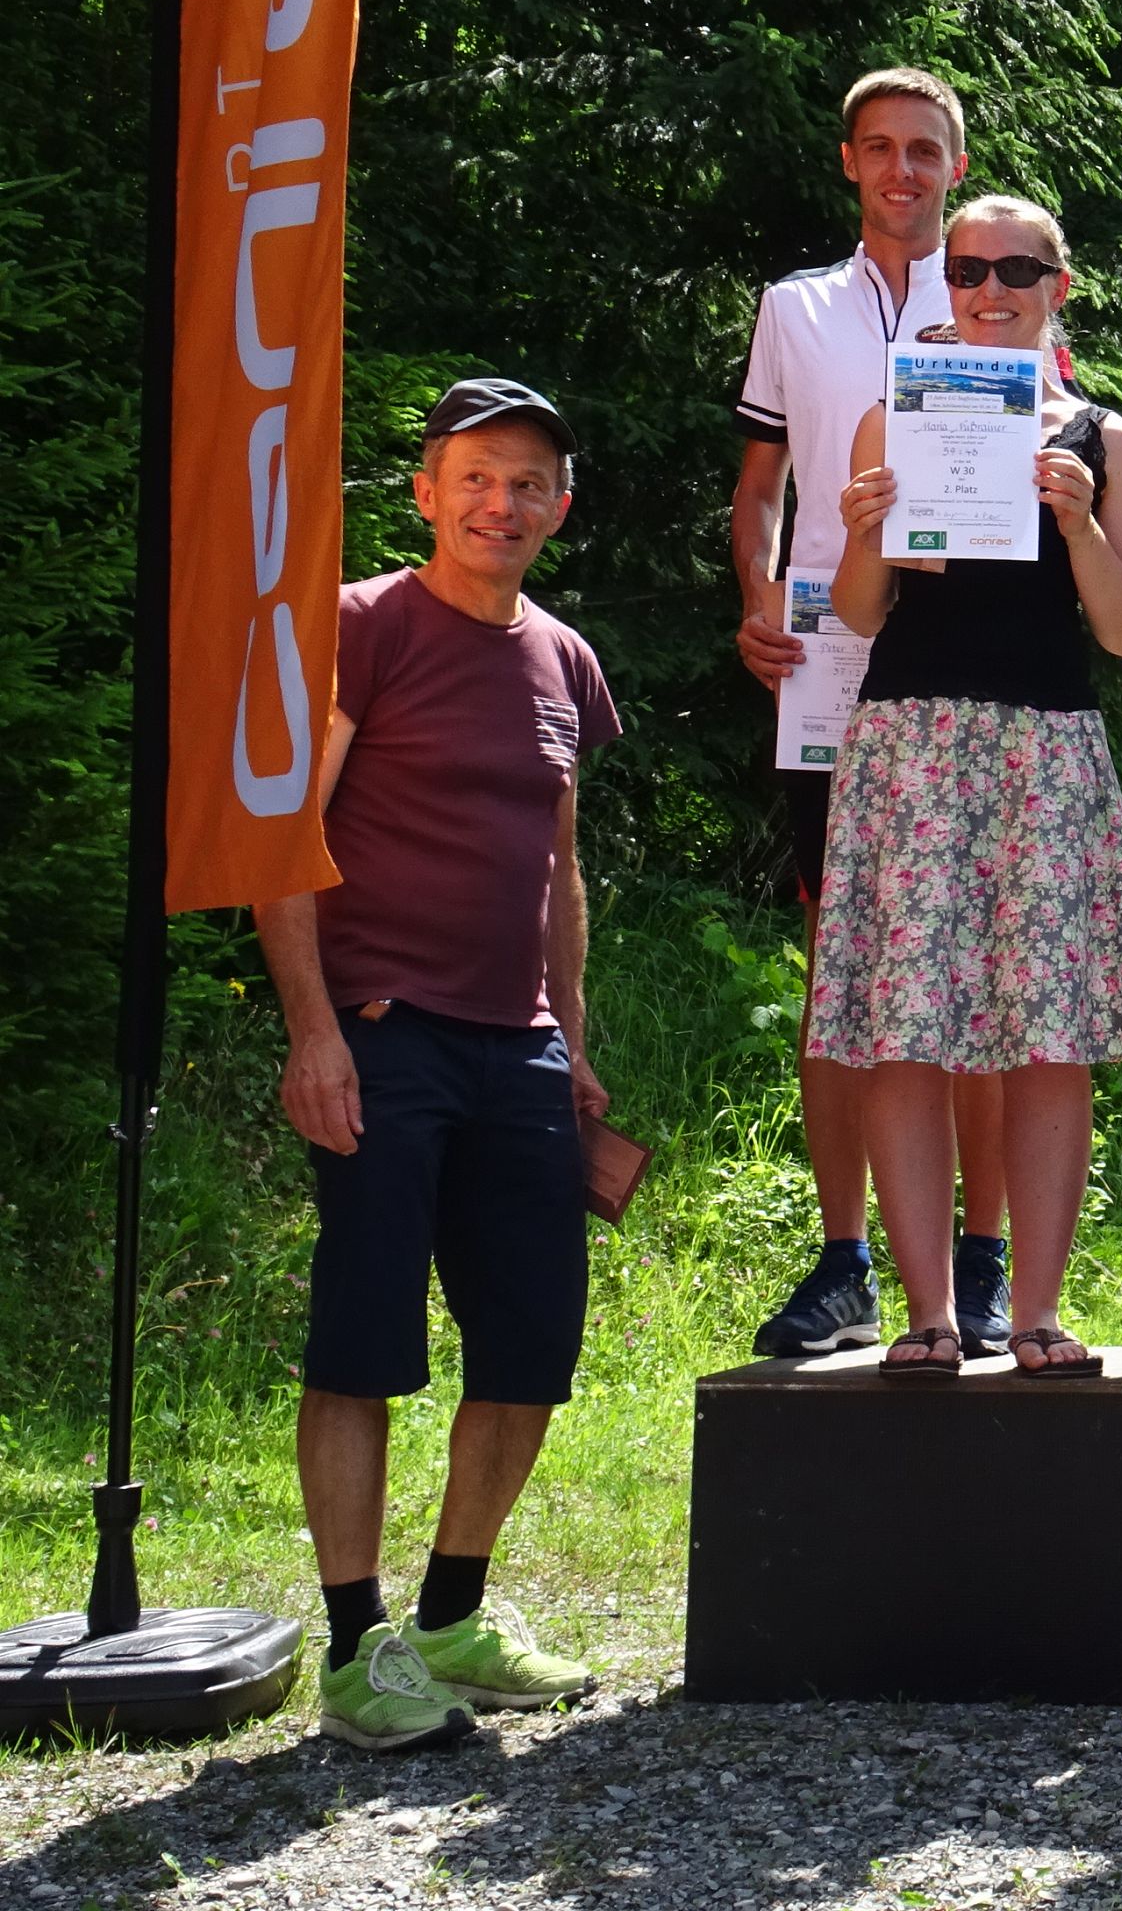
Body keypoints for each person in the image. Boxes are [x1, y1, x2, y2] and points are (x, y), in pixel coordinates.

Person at [255, 379, 618, 1751]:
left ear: (558, 509)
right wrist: (314, 1030)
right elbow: (284, 835)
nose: (499, 504)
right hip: (383, 1030)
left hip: (519, 1049)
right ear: (424, 493)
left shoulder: (564, 658)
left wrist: (572, 1041)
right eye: (474, 477)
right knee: (362, 1341)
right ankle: (359, 1647)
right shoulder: (361, 626)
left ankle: (455, 1618)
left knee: (530, 1344)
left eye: (526, 483)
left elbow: (559, 867)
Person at [811, 196, 1122, 1376]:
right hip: (910, 744)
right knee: (905, 1037)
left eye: (1016, 270)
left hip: (1043, 749)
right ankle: (928, 1315)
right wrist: (863, 530)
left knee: (1048, 1040)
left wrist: (1078, 526)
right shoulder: (892, 415)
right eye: (968, 269)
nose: (990, 290)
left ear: (1056, 286)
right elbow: (858, 612)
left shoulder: (1104, 440)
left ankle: (1035, 1313)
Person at [731, 67, 1017, 1359]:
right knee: (840, 971)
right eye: (881, 148)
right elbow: (759, 487)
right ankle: (845, 1260)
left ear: (954, 163)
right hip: (832, 656)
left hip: (969, 666)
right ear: (849, 160)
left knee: (983, 969)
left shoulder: (1000, 290)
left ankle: (981, 1262)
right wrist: (756, 597)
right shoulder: (794, 308)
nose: (904, 170)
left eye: (925, 149)